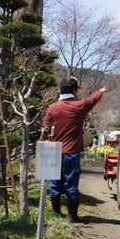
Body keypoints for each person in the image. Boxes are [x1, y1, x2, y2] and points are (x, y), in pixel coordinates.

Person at [41, 77, 107, 222]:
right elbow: (93, 99)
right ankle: (73, 217)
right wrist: (101, 91)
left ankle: (56, 213)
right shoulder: (80, 105)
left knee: (54, 183)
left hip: (53, 151)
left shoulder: (52, 108)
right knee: (71, 184)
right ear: (75, 90)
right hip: (71, 151)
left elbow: (45, 129)